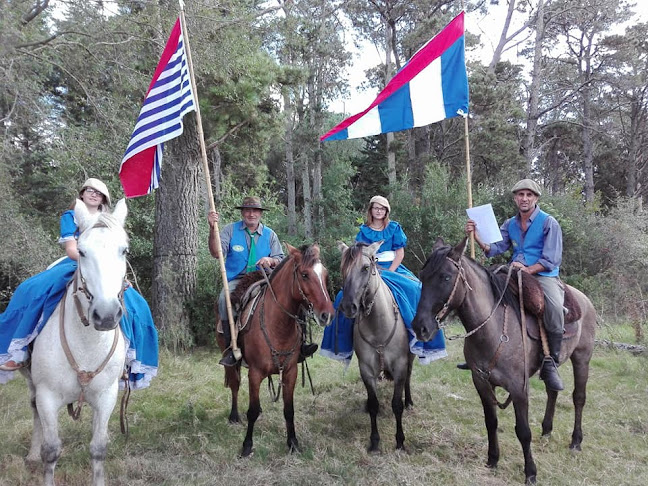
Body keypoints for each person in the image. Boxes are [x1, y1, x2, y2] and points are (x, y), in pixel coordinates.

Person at [0, 178, 158, 390]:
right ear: (82, 194)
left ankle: (129, 359)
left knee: (137, 305)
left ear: (104, 198)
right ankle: (21, 350)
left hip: (106, 268)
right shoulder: (71, 216)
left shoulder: (109, 220)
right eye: (89, 190)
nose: (94, 194)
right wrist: (89, 256)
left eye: (99, 193)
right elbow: (72, 250)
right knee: (32, 290)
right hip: (77, 262)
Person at [321, 195, 447, 366]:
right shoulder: (364, 231)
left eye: (382, 208)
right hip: (367, 269)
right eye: (375, 208)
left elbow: (400, 253)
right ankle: (344, 343)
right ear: (371, 210)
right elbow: (358, 256)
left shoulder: (394, 228)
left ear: (386, 211)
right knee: (342, 297)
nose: (379, 211)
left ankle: (419, 336)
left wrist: (390, 271)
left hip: (392, 267)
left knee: (415, 289)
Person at [465, 178, 565, 391]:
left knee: (554, 307)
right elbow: (495, 248)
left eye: (529, 195)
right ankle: (480, 353)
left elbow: (550, 259)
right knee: (484, 293)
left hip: (542, 275)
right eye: (520, 195)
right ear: (515, 198)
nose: (524, 198)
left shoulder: (549, 223)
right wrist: (476, 237)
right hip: (515, 271)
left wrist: (526, 270)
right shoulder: (510, 223)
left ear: (536, 198)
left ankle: (551, 362)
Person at [208, 196, 317, 367]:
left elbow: (280, 259)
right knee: (224, 299)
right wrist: (212, 227)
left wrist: (270, 260)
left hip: (265, 278)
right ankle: (231, 348)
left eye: (255, 211)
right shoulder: (230, 230)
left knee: (297, 297)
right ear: (242, 212)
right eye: (248, 210)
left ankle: (301, 344)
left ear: (260, 213)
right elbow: (216, 253)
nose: (251, 214)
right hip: (238, 279)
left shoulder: (270, 234)